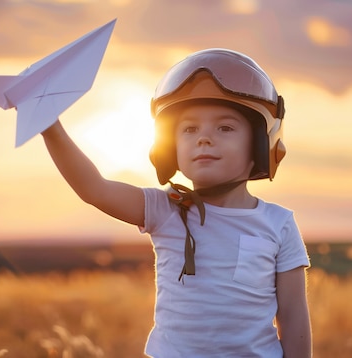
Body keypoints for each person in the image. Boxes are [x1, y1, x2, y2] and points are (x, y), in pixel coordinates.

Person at [41, 48, 312, 357]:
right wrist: (50, 126)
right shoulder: (164, 209)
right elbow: (94, 189)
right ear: (170, 148)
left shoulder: (279, 224)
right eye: (189, 129)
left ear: (261, 144)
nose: (204, 138)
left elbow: (293, 318)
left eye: (225, 127)